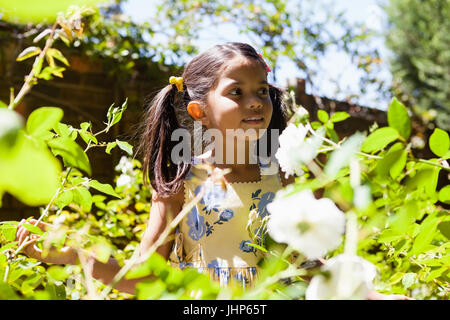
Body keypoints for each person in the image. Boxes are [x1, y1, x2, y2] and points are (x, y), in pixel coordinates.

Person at [16, 42, 411, 299]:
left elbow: (313, 258)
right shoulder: (179, 187)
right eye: (236, 92)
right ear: (198, 110)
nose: (256, 101)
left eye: (262, 90)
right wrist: (72, 255)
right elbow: (142, 274)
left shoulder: (290, 176)